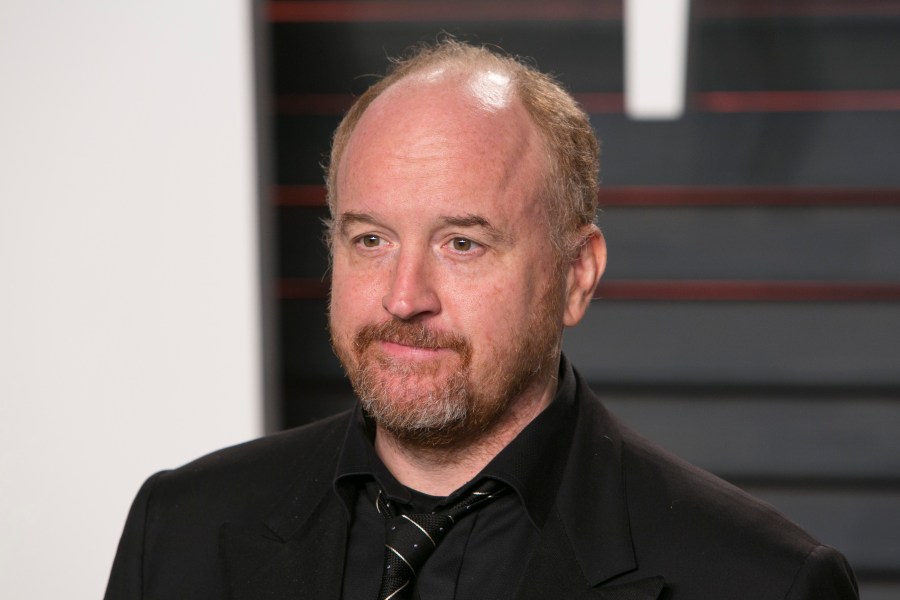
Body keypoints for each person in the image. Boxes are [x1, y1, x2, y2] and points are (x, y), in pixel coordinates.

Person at [105, 40, 859, 600]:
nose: (404, 297)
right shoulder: (181, 530)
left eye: (461, 243)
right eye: (370, 240)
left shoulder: (762, 583)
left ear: (577, 274)